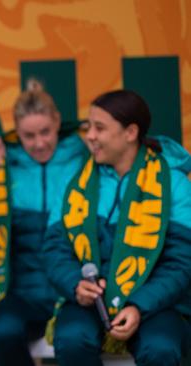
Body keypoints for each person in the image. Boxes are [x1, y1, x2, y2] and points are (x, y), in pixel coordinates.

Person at [43, 90, 191, 366]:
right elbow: (54, 250)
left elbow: (181, 262)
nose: (90, 136)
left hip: (155, 303)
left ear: (130, 132)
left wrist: (139, 305)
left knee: (160, 347)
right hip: (89, 302)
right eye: (89, 127)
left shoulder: (174, 184)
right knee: (72, 338)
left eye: (100, 128)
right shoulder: (74, 183)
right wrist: (76, 285)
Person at [0, 79, 87, 365]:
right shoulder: (7, 163)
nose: (39, 143)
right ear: (16, 131)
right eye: (29, 135)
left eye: (45, 132)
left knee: (77, 336)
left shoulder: (84, 155)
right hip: (23, 294)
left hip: (74, 291)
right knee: (2, 329)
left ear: (57, 122)